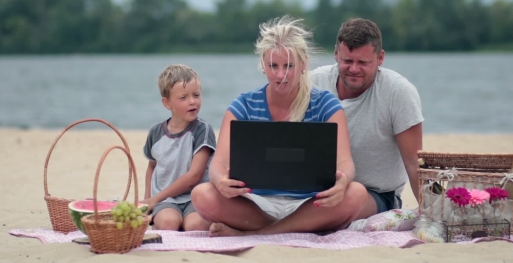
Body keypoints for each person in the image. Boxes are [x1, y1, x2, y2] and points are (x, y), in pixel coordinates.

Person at [191, 15, 371, 237]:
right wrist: (221, 182)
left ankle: (258, 233)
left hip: (310, 203)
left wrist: (342, 182)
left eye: (289, 66)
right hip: (255, 203)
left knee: (356, 193)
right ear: (263, 66)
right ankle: (285, 229)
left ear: (303, 64)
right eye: (273, 66)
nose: (280, 75)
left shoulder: (326, 104)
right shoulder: (243, 105)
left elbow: (346, 162)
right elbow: (217, 164)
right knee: (202, 194)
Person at [311, 18, 424, 218]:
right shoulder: (313, 82)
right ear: (336, 54)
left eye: (363, 62)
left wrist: (432, 215)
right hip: (315, 189)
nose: (354, 69)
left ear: (380, 58)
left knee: (352, 195)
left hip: (376, 195)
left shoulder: (398, 92)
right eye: (347, 61)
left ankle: (272, 232)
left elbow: (414, 163)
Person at [141, 64, 217, 231]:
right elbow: (151, 167)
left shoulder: (202, 130)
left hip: (195, 197)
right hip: (166, 200)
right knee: (169, 223)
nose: (192, 102)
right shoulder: (156, 132)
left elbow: (194, 177)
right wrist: (149, 200)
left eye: (196, 95)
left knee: (194, 226)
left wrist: (156, 198)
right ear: (167, 103)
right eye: (183, 98)